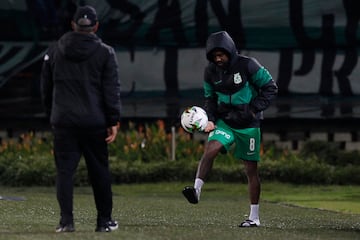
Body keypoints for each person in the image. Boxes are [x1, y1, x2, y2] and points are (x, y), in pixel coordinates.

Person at [182, 31, 278, 227]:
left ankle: (254, 217)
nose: (218, 59)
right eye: (214, 56)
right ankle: (196, 190)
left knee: (251, 170)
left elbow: (270, 87)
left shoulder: (248, 65)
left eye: (222, 55)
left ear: (231, 51)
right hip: (226, 122)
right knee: (211, 149)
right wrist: (210, 119)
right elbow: (210, 99)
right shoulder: (210, 71)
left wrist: (253, 110)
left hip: (249, 126)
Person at [40, 5, 121, 232]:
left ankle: (66, 223)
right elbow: (111, 90)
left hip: (63, 122)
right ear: (95, 26)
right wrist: (113, 120)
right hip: (95, 123)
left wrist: (52, 116)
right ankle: (104, 222)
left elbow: (45, 89)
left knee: (65, 173)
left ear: (73, 25)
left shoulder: (54, 51)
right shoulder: (106, 52)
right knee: (99, 173)